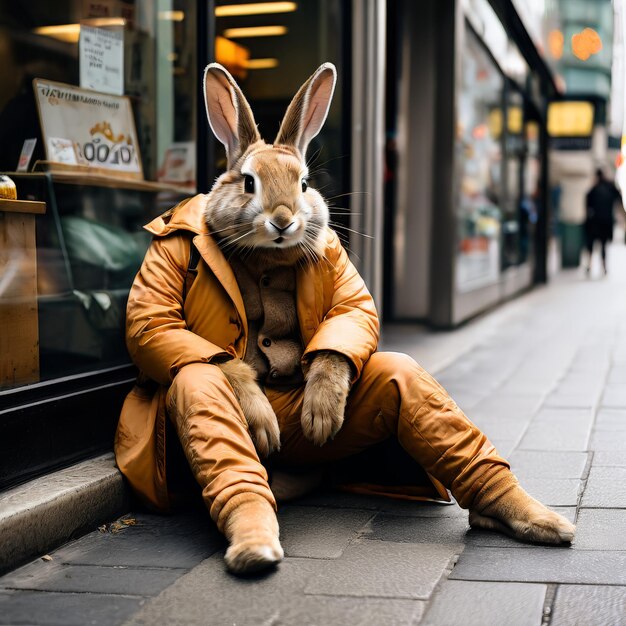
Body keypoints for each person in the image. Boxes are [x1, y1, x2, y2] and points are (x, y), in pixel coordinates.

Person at [114, 63, 575, 576]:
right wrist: (233, 377)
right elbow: (148, 328)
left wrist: (331, 366)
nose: (284, 214)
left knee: (397, 371)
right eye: (252, 187)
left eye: (299, 188)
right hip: (216, 425)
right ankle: (248, 517)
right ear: (230, 178)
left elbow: (356, 309)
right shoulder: (183, 239)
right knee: (195, 380)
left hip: (302, 417)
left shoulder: (319, 243)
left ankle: (496, 495)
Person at [584, 168, 620, 275]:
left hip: (595, 222)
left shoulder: (594, 189)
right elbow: (618, 197)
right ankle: (603, 267)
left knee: (591, 244)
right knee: (604, 245)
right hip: (606, 221)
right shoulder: (609, 188)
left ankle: (590, 265)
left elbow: (588, 205)